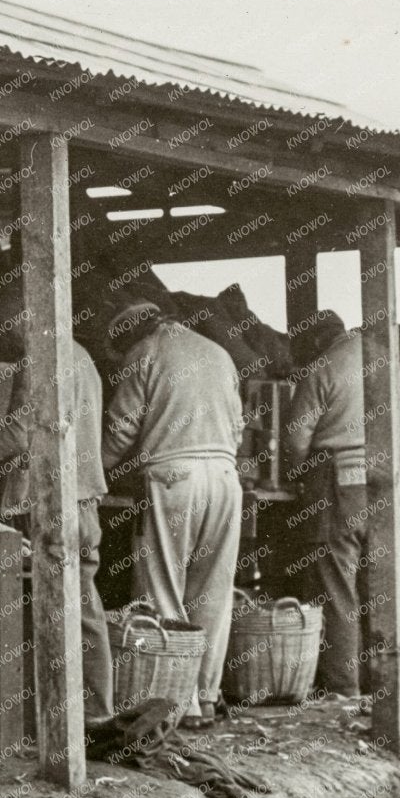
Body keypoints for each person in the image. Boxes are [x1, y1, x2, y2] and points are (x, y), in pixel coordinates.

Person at [101, 301, 244, 725]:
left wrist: (91, 476)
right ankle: (204, 697)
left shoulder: (144, 354)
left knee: (161, 587)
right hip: (224, 475)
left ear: (130, 334)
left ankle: (167, 703)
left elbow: (121, 428)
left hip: (172, 478)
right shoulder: (219, 353)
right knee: (213, 593)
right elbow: (238, 427)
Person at [0, 332, 114, 720]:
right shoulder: (83, 354)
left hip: (53, 502)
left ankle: (44, 716)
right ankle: (93, 712)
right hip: (83, 498)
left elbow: (21, 434)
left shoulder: (40, 356)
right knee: (84, 610)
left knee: (43, 608)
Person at [281, 309, 369, 696]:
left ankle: (341, 686)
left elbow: (297, 436)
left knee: (337, 585)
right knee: (377, 584)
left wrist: (295, 473)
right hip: (383, 483)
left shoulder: (325, 365)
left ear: (316, 340)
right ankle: (378, 682)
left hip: (339, 481)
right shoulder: (389, 360)